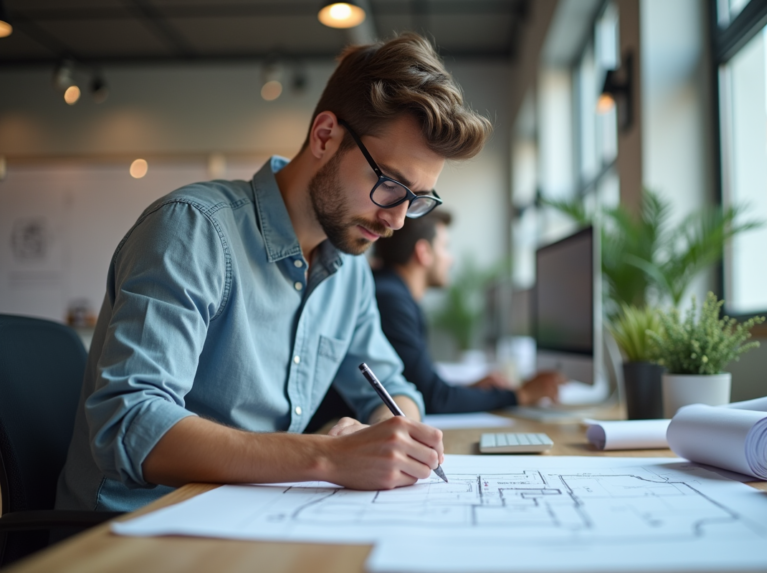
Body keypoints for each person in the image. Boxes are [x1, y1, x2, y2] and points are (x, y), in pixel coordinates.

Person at [55, 33, 492, 513]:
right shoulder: (193, 231)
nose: (395, 220)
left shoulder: (349, 270)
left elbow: (396, 390)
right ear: (325, 136)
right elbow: (129, 424)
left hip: (251, 519)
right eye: (390, 186)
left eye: (417, 201)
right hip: (133, 534)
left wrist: (385, 433)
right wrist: (326, 457)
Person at [372, 211, 564, 413]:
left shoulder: (393, 294)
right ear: (423, 253)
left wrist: (472, 391)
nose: (451, 260)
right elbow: (432, 398)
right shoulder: (391, 302)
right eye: (445, 248)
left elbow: (420, 387)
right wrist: (521, 395)